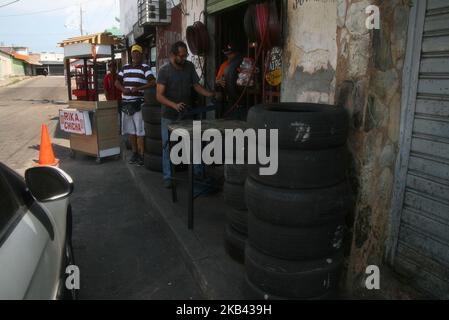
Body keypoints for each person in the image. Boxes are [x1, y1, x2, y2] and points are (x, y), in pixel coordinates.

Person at [156, 41, 218, 189]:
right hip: (169, 115)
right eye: (181, 56)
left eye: (185, 56)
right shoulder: (164, 71)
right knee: (167, 147)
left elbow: (196, 86)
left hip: (187, 113)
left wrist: (211, 94)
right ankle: (168, 177)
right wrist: (174, 105)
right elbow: (159, 96)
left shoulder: (189, 67)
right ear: (173, 55)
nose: (184, 59)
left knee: (194, 143)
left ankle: (197, 173)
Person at [115, 44, 156, 166]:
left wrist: (139, 88)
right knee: (131, 131)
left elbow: (153, 82)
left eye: (138, 53)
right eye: (134, 53)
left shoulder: (145, 68)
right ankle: (134, 153)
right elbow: (116, 81)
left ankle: (142, 155)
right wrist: (123, 89)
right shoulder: (124, 68)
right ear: (131, 54)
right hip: (126, 104)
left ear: (141, 54)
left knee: (140, 131)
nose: (136, 55)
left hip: (138, 104)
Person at [215, 43, 243, 118]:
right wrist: (219, 81)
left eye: (231, 54)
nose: (229, 56)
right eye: (227, 54)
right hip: (228, 98)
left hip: (243, 98)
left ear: (236, 53)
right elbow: (216, 80)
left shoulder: (244, 63)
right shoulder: (224, 65)